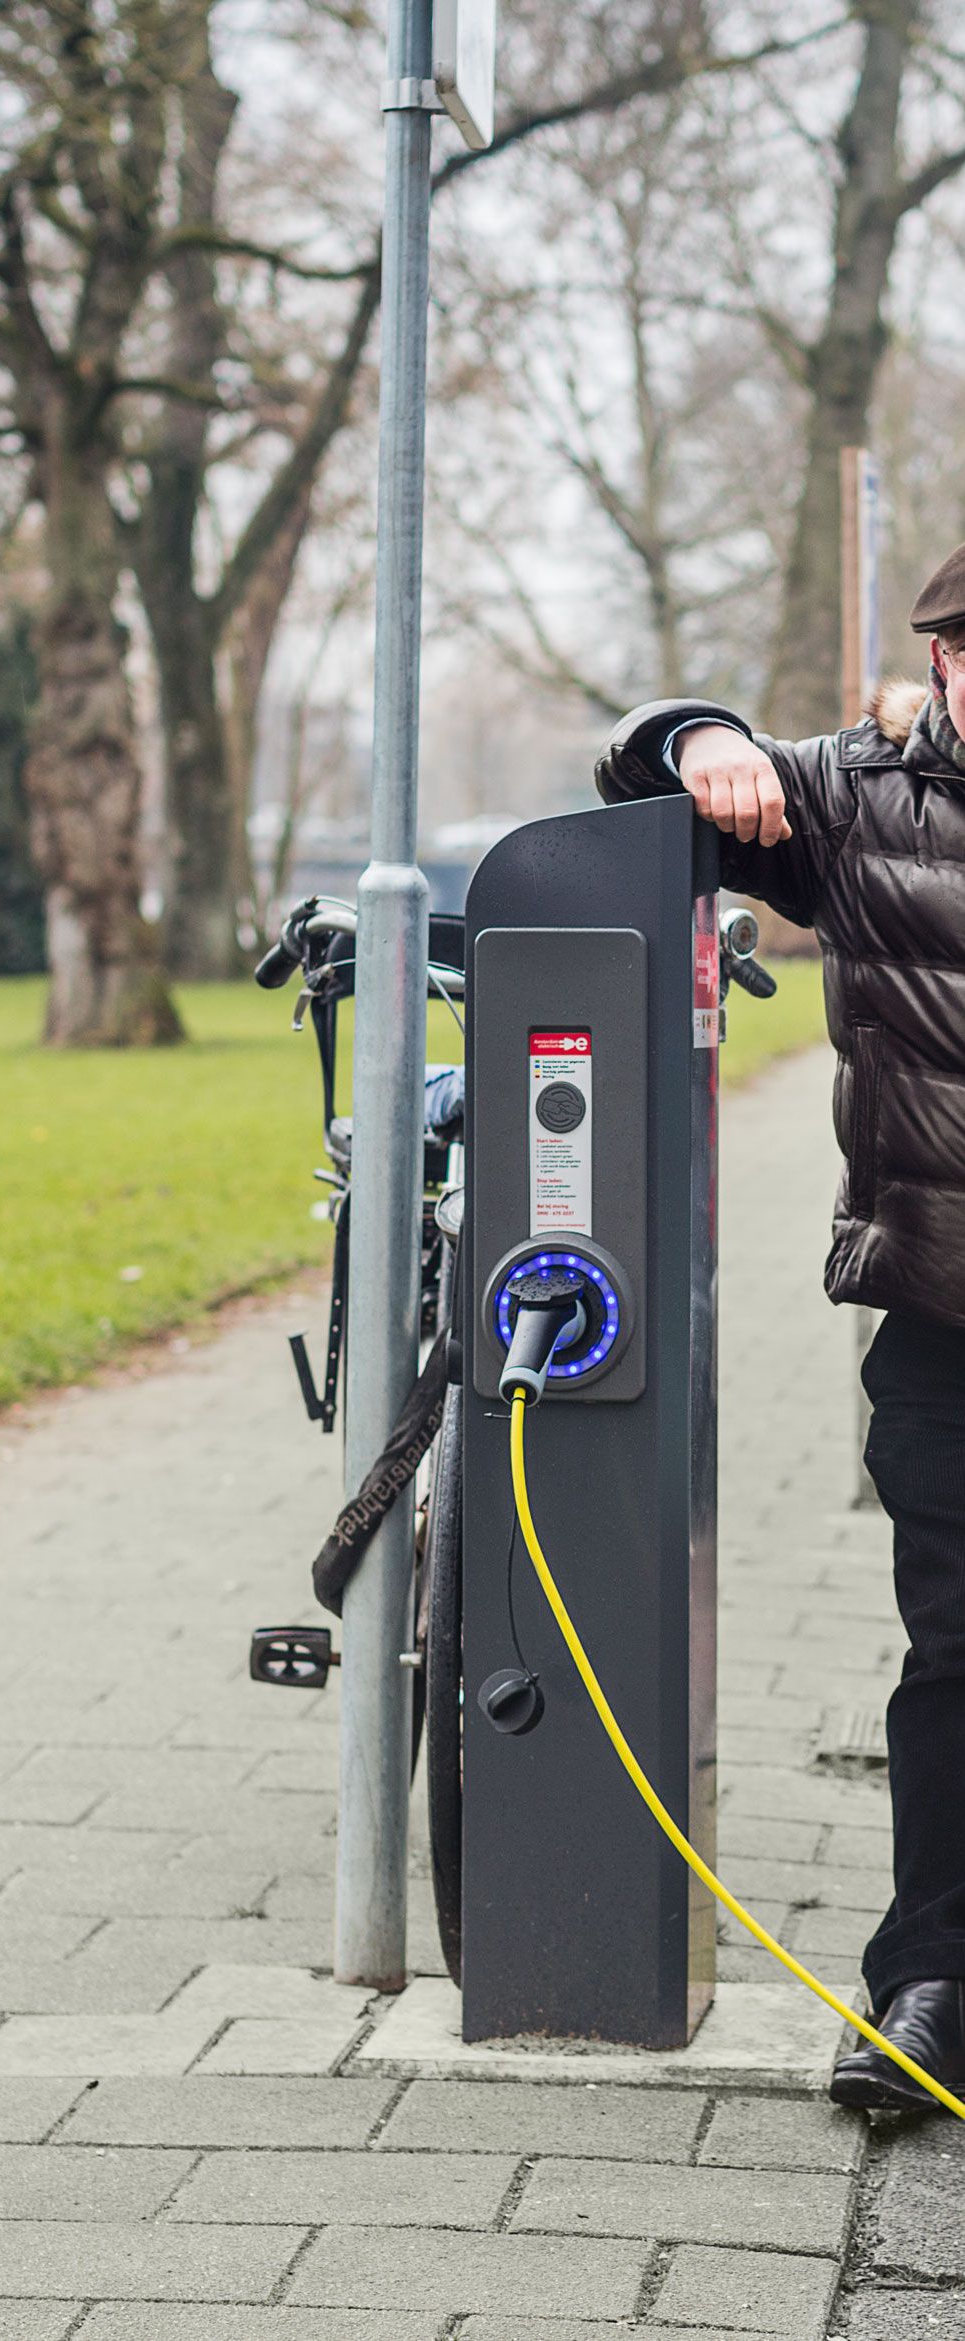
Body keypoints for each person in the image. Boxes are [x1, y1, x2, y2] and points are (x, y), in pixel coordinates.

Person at [594, 546, 965, 2113]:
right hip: (948, 1315)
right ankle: (931, 1987)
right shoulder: (870, 798)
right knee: (957, 1649)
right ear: (946, 664)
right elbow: (631, 774)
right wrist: (703, 739)